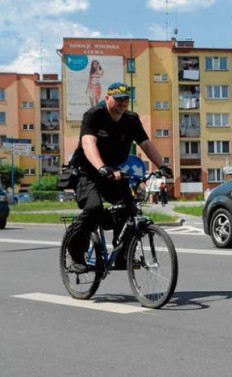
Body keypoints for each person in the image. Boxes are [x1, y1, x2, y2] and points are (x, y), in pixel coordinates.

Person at [67, 82, 172, 273]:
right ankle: (75, 253)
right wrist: (101, 167)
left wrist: (162, 166)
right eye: (118, 99)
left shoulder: (131, 119)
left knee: (129, 207)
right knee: (93, 208)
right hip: (86, 172)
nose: (123, 103)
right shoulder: (94, 115)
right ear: (107, 98)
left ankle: (124, 256)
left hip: (112, 172)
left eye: (126, 99)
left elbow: (146, 144)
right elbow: (88, 143)